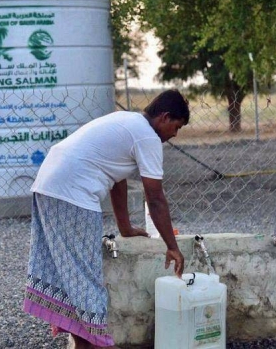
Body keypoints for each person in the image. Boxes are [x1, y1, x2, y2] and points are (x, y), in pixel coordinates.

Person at [22, 89, 189, 349]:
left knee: (70, 274)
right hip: (72, 194)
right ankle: (94, 343)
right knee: (85, 276)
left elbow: (116, 179)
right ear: (165, 117)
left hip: (49, 184)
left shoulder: (128, 122)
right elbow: (155, 198)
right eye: (176, 127)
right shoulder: (147, 137)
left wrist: (125, 227)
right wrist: (172, 246)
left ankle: (83, 343)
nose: (175, 135)